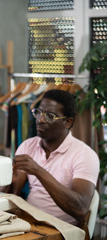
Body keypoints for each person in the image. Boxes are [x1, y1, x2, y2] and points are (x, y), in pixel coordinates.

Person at [5, 89, 99, 226]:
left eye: (50, 115)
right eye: (39, 112)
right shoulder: (28, 146)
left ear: (68, 122)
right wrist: (8, 180)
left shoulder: (84, 155)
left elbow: (80, 209)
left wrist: (38, 170)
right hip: (29, 221)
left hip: (60, 228)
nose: (41, 120)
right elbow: (13, 193)